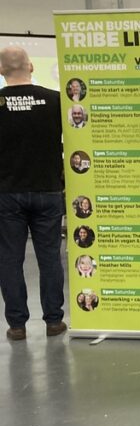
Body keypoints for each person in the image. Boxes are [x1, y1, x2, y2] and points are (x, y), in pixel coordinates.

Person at [0, 46, 67, 340]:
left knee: (9, 259)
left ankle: (17, 326)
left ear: (1, 70)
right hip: (48, 190)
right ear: (31, 66)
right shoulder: (55, 100)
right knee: (50, 258)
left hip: (6, 193)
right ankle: (54, 321)